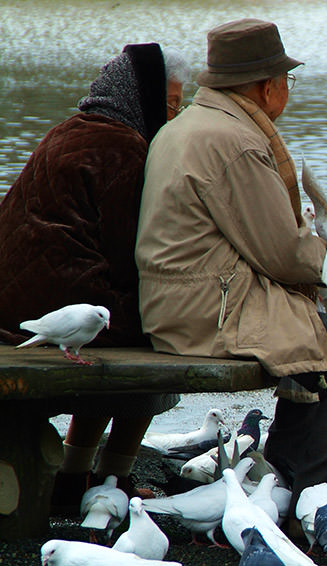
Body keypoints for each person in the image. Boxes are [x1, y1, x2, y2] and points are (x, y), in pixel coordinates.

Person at [134, 18, 327, 513]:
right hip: (210, 312)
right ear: (266, 85)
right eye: (286, 81)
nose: (287, 91)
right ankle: (323, 502)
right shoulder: (234, 142)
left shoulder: (188, 125)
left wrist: (325, 253)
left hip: (181, 303)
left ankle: (285, 478)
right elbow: (280, 252)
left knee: (318, 337)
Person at [0, 43, 192, 512]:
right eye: (171, 104)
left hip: (16, 301)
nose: (176, 116)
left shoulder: (70, 129)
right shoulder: (125, 148)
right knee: (160, 330)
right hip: (53, 302)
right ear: (142, 97)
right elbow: (132, 254)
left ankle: (75, 469)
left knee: (120, 317)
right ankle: (112, 475)